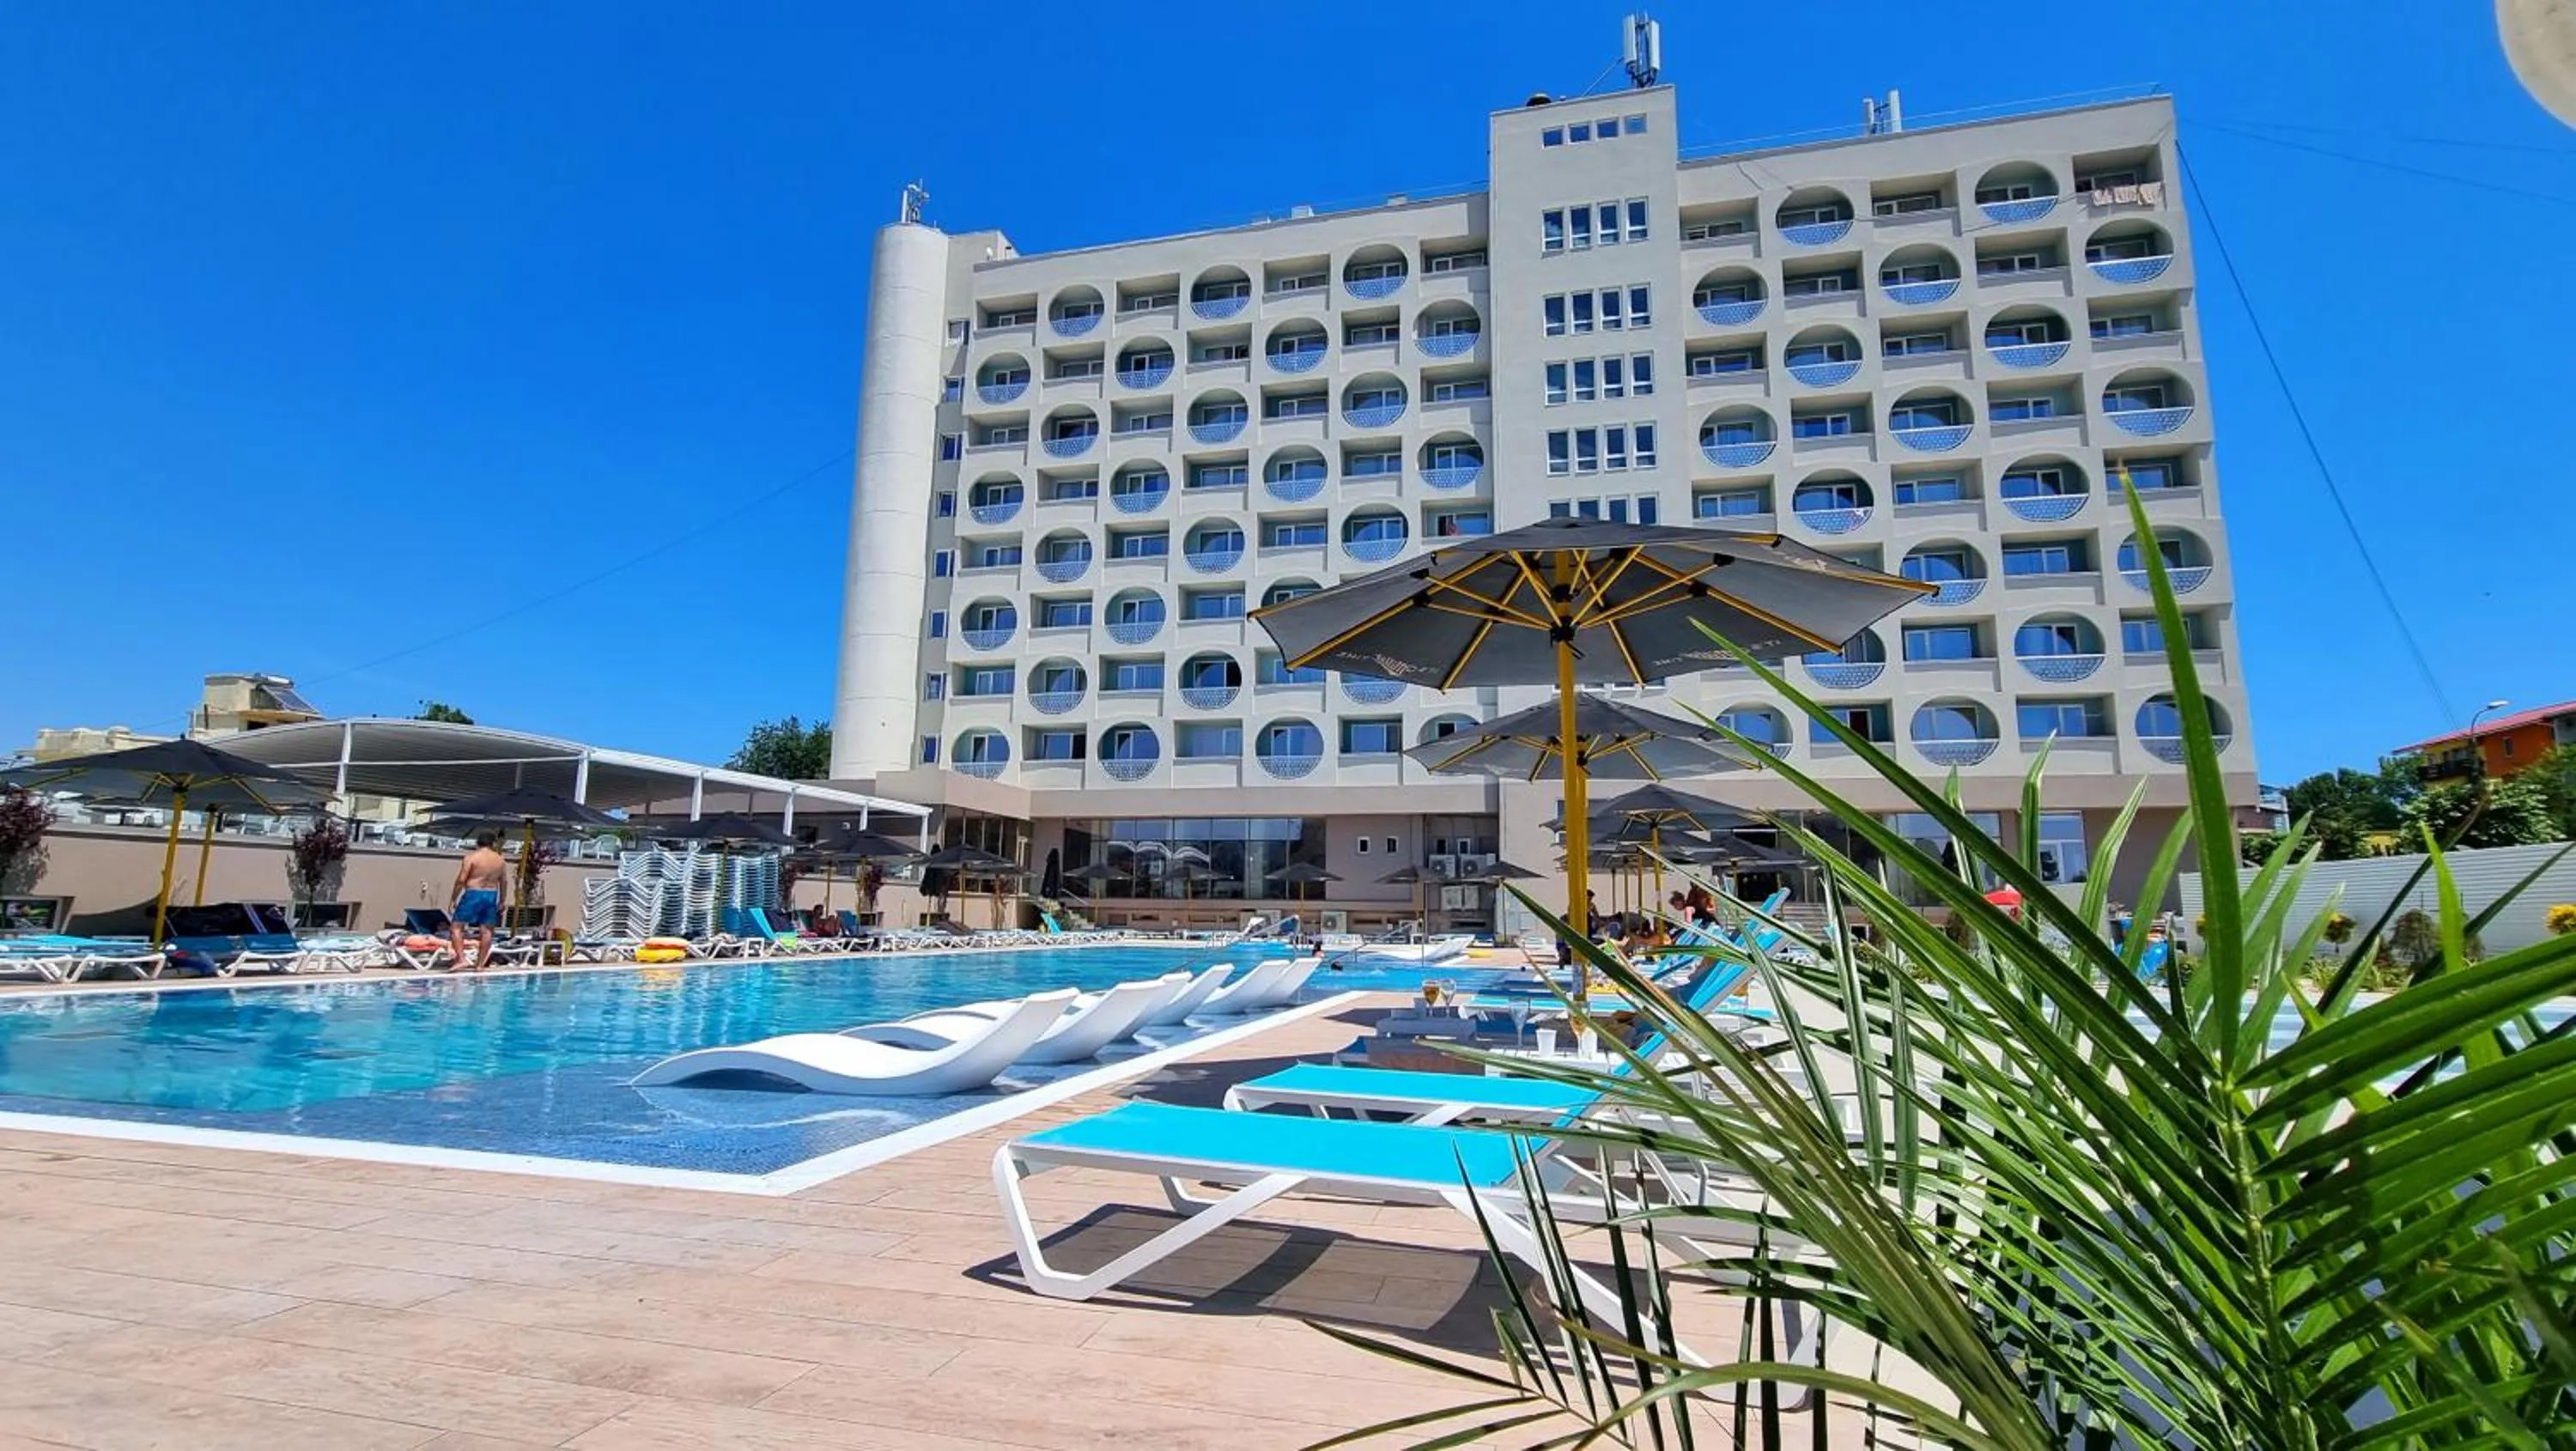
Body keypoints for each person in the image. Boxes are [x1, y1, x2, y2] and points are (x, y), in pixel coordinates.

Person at [447, 831, 508, 971]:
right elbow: (504, 882)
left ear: (477, 843)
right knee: (487, 931)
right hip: (491, 895)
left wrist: (453, 899)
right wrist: (503, 900)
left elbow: (461, 880)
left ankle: (462, 959)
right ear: (493, 844)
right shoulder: (500, 860)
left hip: (473, 893)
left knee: (456, 927)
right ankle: (480, 965)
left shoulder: (471, 858)